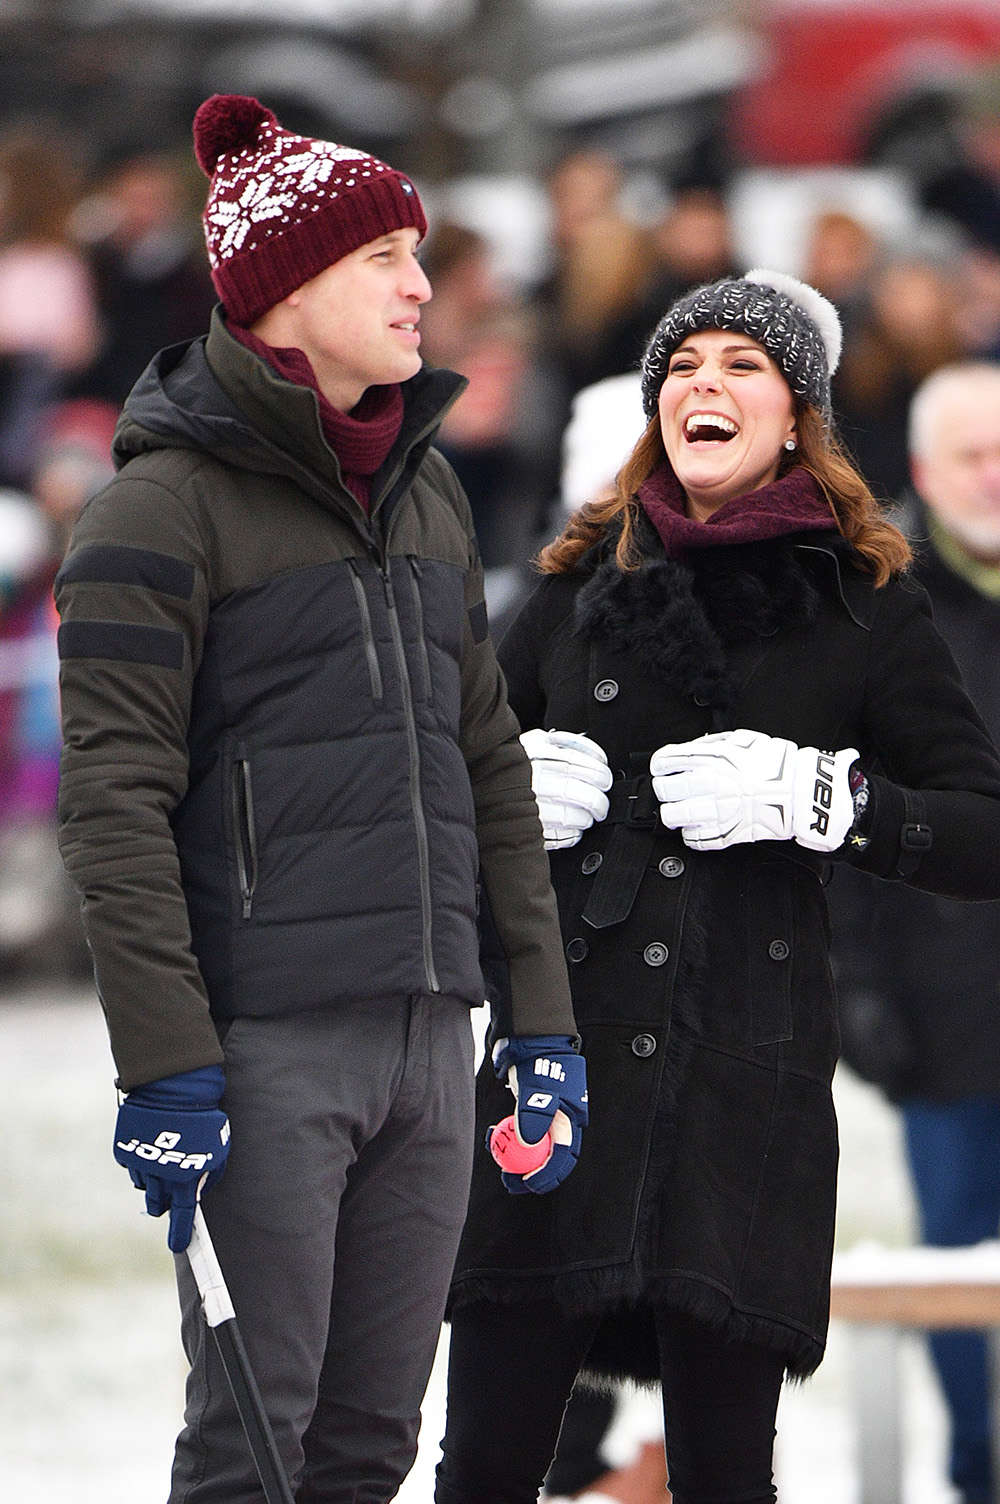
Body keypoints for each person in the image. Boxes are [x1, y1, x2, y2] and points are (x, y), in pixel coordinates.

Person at [54, 94, 583, 1504]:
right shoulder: (154, 515)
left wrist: (538, 1019)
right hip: (264, 1052)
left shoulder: (427, 499)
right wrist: (169, 1058)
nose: (423, 287)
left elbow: (488, 767)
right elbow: (111, 803)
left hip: (428, 1044)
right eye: (384, 262)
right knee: (256, 1449)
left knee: (369, 1450)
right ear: (286, 293)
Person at [436, 269, 1000, 1504]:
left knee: (726, 1473)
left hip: (744, 1080)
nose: (707, 383)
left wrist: (830, 804)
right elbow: (438, 788)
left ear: (796, 413)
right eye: (684, 366)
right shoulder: (573, 591)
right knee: (483, 1458)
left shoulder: (864, 607)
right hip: (558, 1070)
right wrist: (494, 800)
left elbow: (979, 829)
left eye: (742, 366)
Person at [833, 359, 1000, 1504]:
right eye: (971, 456)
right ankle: (975, 1465)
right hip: (945, 1006)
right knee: (954, 1254)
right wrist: (856, 988)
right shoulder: (881, 602)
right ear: (927, 471)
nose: (993, 477)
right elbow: (842, 812)